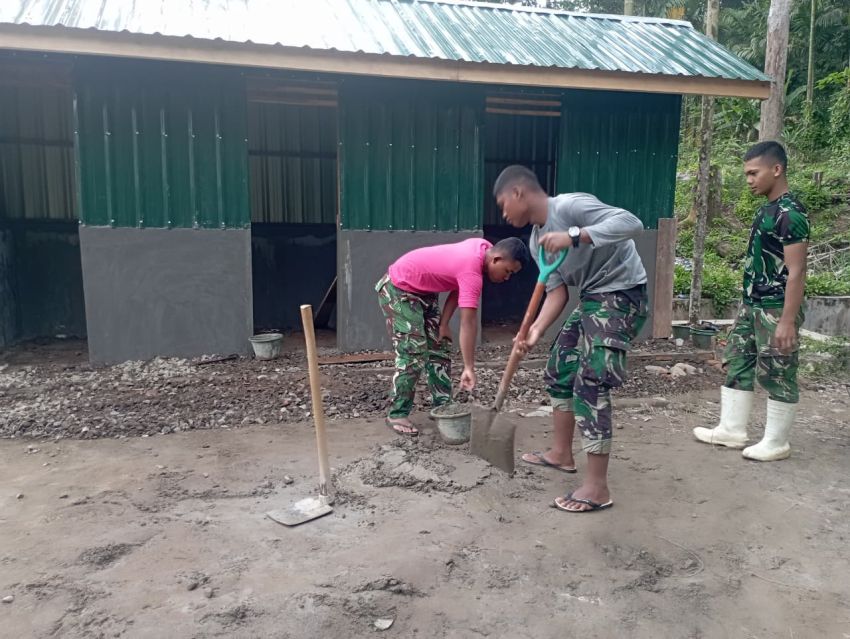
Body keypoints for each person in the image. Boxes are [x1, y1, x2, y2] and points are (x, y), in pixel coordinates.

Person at [494, 165, 648, 513]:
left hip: (624, 292)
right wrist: (535, 330)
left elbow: (631, 223)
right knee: (558, 367)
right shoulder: (536, 242)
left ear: (519, 192)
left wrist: (575, 235)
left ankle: (597, 487)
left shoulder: (569, 207)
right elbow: (556, 292)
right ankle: (562, 454)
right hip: (593, 296)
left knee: (592, 380)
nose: (503, 213)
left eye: (504, 204)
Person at [693, 141, 809, 461]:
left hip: (776, 306)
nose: (749, 180)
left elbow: (797, 271)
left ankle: (776, 442)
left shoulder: (791, 213)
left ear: (776, 169)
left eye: (753, 173)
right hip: (752, 303)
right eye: (746, 174)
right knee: (737, 359)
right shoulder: (766, 209)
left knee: (778, 369)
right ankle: (732, 429)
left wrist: (787, 320)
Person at [376, 237, 530, 436]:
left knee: (439, 346)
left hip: (425, 292)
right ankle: (397, 413)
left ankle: (443, 405)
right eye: (508, 271)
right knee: (413, 350)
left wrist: (444, 324)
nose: (507, 278)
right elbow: (468, 322)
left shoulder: (483, 249)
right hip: (399, 288)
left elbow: (458, 289)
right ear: (496, 259)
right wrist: (469, 367)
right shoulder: (471, 270)